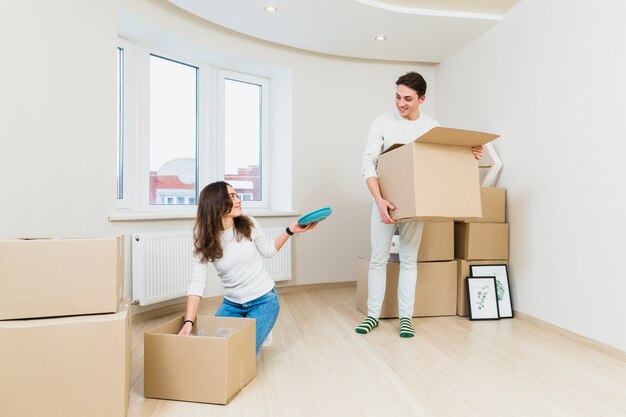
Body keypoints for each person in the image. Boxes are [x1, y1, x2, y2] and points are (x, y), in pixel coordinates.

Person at [356, 71, 483, 338]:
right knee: (378, 260)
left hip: (415, 204)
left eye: (408, 99)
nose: (401, 103)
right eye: (397, 97)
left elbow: (443, 160)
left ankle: (405, 318)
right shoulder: (381, 123)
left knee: (409, 260)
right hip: (383, 201)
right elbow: (368, 164)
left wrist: (468, 153)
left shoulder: (431, 127)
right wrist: (379, 202)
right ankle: (372, 316)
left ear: (422, 99)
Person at [178, 181, 317, 355]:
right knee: (211, 350)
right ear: (216, 203)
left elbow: (267, 250)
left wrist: (290, 230)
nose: (238, 200)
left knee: (240, 356)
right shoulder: (204, 240)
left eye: (236, 195)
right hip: (232, 304)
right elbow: (196, 283)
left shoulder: (248, 224)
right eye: (231, 197)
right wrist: (188, 322)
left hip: (264, 300)